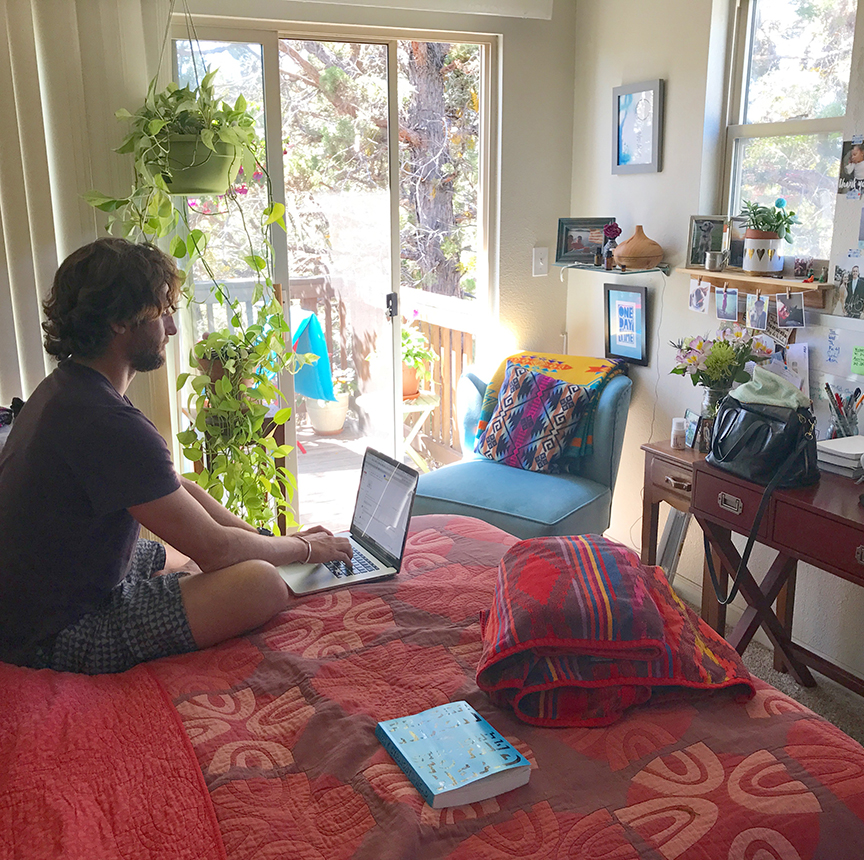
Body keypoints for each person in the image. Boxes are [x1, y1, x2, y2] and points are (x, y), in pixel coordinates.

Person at [0, 238, 352, 674]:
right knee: (262, 583)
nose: (170, 327)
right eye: (161, 312)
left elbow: (173, 485)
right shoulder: (104, 420)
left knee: (175, 554)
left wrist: (264, 537)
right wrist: (303, 549)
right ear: (119, 321)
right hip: (55, 636)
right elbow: (216, 550)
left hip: (39, 597)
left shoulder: (69, 388)